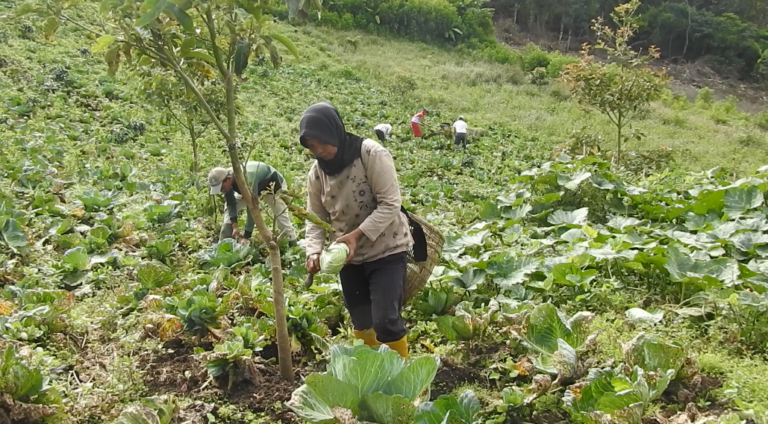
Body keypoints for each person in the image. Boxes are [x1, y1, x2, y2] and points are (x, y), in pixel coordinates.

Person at [301, 102, 413, 359]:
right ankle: (374, 375)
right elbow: (315, 216)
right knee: (362, 321)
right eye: (311, 146)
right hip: (350, 257)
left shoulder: (371, 154)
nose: (319, 150)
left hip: (387, 249)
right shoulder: (317, 173)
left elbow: (390, 204)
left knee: (385, 321)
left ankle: (403, 379)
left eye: (322, 143)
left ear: (334, 132)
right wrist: (313, 251)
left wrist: (356, 235)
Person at [207, 162, 297, 246]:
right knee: (228, 208)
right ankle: (224, 239)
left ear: (228, 180)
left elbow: (252, 207)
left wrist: (247, 236)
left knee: (280, 215)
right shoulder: (226, 179)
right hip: (249, 188)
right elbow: (231, 204)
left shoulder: (247, 180)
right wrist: (234, 225)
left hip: (272, 185)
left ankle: (292, 244)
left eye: (221, 187)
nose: (221, 190)